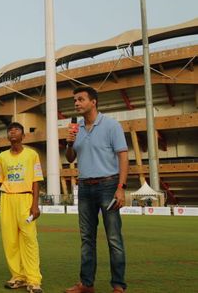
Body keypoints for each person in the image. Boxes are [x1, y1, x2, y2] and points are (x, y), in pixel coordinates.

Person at [64, 86, 128, 293]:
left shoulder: (111, 125)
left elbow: (123, 156)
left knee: (114, 238)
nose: (76, 103)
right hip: (84, 187)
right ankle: (86, 284)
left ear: (94, 102)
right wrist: (69, 142)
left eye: (81, 99)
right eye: (75, 100)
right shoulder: (77, 129)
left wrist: (121, 187)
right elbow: (70, 158)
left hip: (108, 185)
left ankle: (118, 285)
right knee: (86, 238)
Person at [0, 122, 44, 293]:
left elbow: (36, 180)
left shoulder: (32, 155)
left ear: (23, 136)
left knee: (29, 240)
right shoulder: (1, 157)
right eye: (9, 130)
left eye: (16, 130)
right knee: (10, 241)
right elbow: (1, 181)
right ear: (7, 136)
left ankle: (33, 279)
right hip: (7, 199)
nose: (12, 132)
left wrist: (35, 204)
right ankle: (18, 276)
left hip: (25, 198)